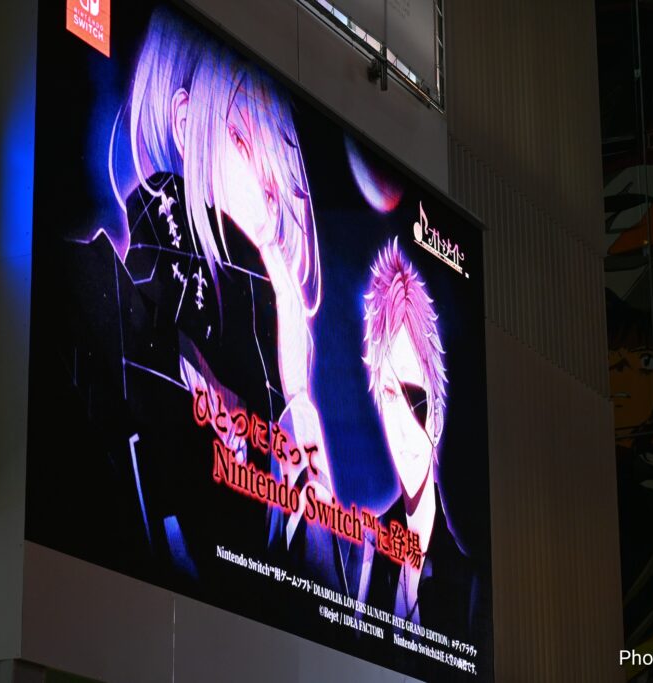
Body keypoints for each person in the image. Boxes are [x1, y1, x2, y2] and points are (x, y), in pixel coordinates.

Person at [107, 6, 341, 593]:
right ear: (187, 124)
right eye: (241, 139)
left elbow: (307, 602)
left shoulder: (266, 376)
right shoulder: (119, 313)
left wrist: (296, 412)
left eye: (278, 176)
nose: (266, 197)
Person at [351, 238, 474, 637]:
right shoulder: (364, 555)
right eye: (390, 394)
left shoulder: (466, 581)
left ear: (436, 418)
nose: (403, 423)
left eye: (415, 397)